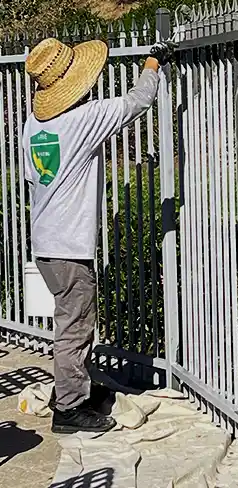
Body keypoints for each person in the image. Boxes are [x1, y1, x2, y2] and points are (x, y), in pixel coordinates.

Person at [22, 36, 174, 434]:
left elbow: (32, 179)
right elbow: (136, 102)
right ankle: (70, 410)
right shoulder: (83, 120)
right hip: (69, 247)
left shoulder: (33, 126)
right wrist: (153, 63)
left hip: (45, 244)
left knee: (71, 322)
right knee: (75, 327)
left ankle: (75, 389)